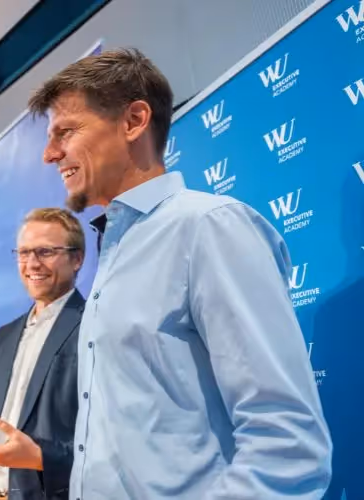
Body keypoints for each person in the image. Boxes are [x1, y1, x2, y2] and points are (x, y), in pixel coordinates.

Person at [27, 48, 332, 499]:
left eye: (66, 132)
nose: (50, 154)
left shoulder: (209, 227)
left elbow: (287, 444)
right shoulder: (114, 252)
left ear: (133, 121)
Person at [0, 208, 85, 500]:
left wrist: (42, 457)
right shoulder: (6, 335)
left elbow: (109, 433)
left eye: (45, 251)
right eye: (23, 252)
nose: (32, 263)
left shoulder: (94, 324)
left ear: (77, 259)